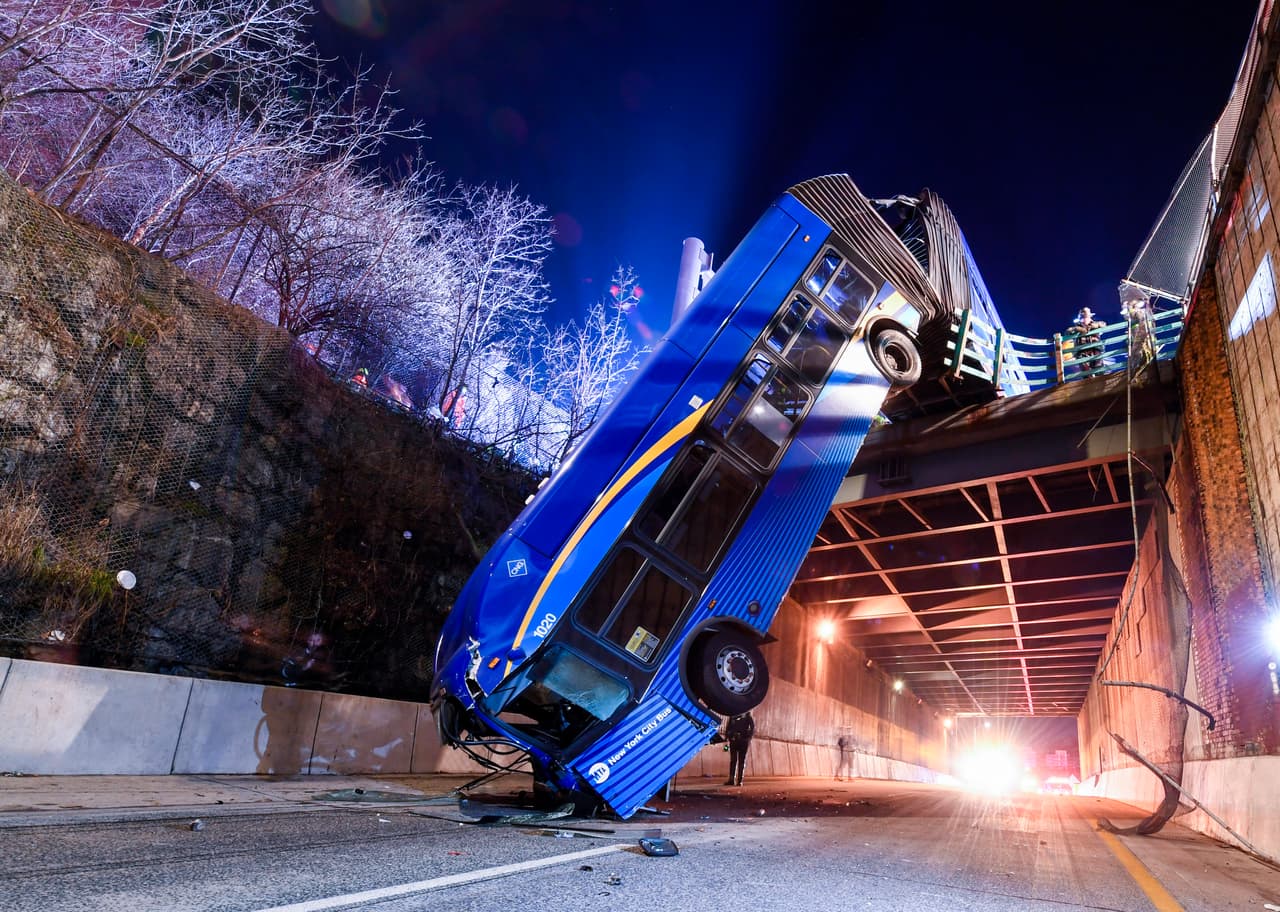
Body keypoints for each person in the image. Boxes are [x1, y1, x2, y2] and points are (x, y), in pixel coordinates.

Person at [1065, 307, 1105, 374]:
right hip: (1082, 352)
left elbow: (1103, 325)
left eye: (1086, 313)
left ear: (1090, 315)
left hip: (1096, 350)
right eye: (1083, 313)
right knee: (1086, 374)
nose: (1084, 315)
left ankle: (1101, 381)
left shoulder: (1096, 324)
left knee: (1099, 371)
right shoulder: (1076, 327)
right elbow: (1067, 332)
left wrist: (1096, 325)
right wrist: (1077, 329)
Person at [723, 711, 755, 786]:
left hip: (743, 741)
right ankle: (731, 780)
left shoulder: (747, 717)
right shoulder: (733, 716)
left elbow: (752, 728)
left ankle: (739, 780)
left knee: (741, 761)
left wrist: (748, 738)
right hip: (734, 740)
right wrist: (727, 737)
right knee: (733, 760)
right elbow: (728, 727)